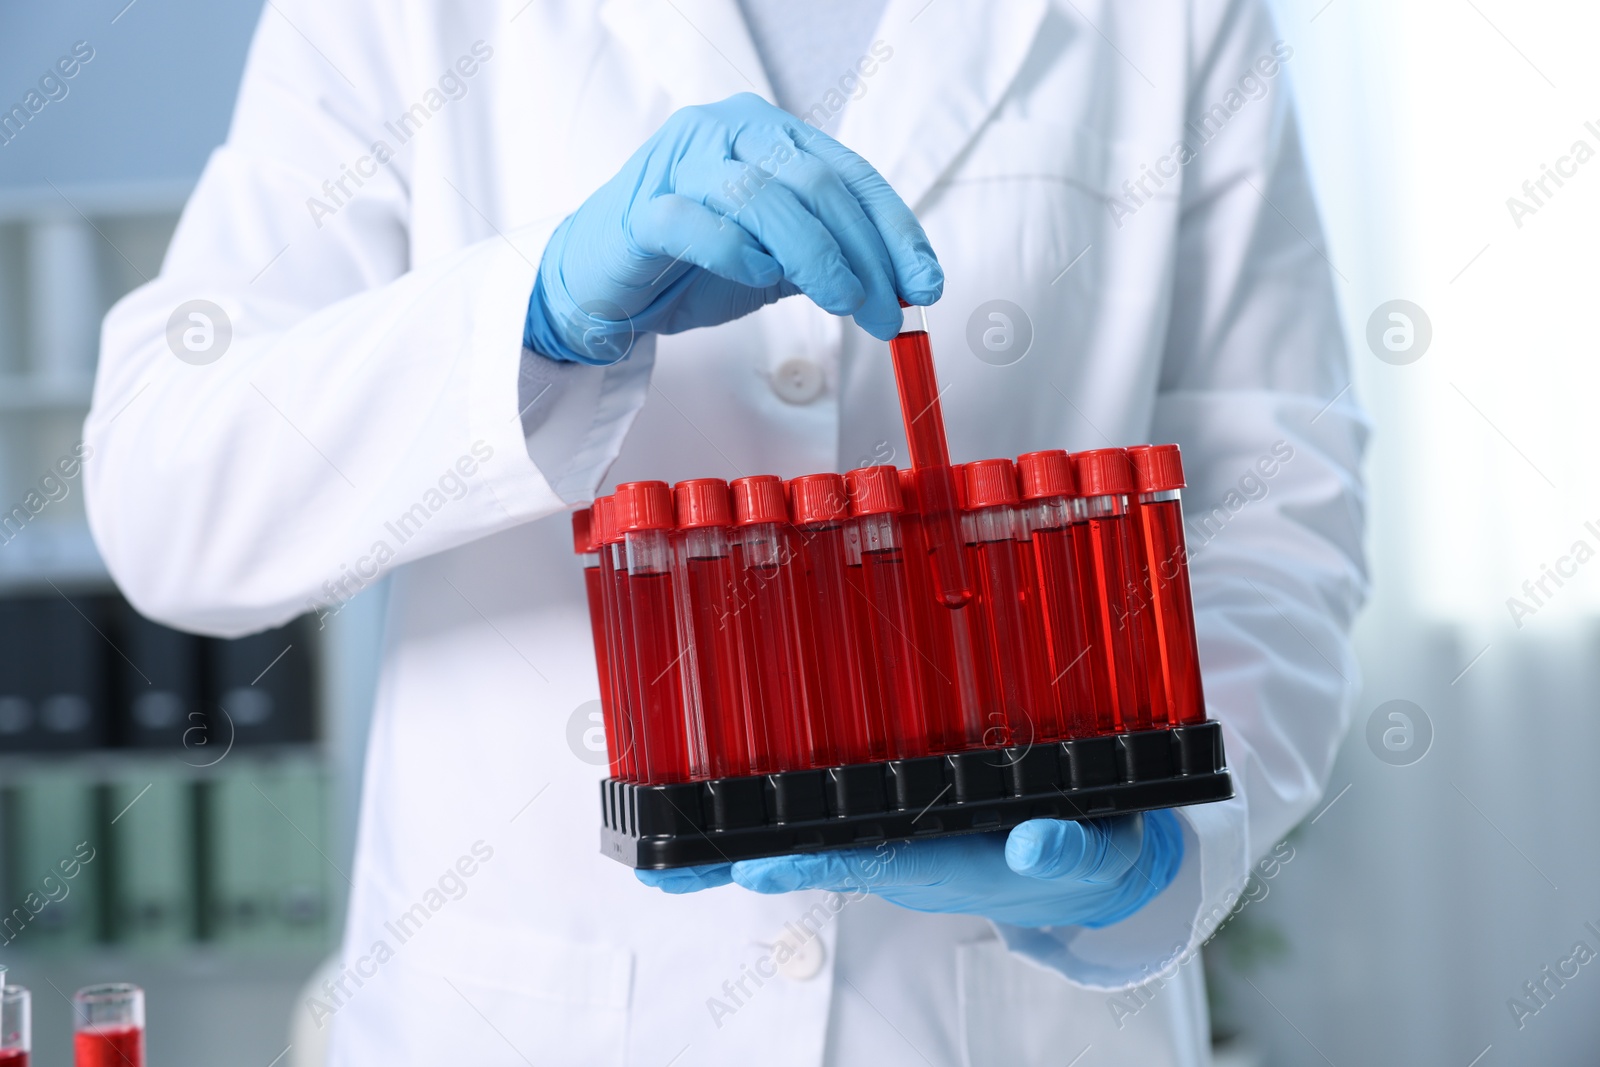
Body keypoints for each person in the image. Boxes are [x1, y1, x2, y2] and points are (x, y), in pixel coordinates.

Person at [84, 0, 1367, 1062]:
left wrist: (1157, 854)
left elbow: (1277, 507)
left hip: (1004, 1022)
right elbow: (164, 493)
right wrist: (529, 317)